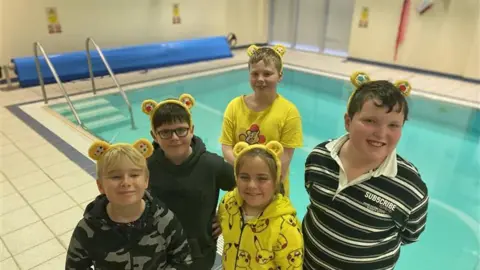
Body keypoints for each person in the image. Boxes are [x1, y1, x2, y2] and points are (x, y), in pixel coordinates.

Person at [302, 72, 429, 269]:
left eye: (393, 125)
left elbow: (410, 235)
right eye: (370, 121)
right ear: (348, 121)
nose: (381, 133)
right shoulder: (320, 157)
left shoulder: (410, 189)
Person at [141, 94, 236, 270]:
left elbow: (246, 189)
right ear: (154, 135)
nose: (175, 137)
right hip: (159, 251)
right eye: (165, 132)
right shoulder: (146, 168)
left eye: (181, 130)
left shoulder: (211, 165)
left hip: (199, 254)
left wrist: (226, 216)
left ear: (192, 129)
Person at [66, 139, 192, 269]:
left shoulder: (164, 220)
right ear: (100, 186)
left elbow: (182, 260)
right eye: (115, 177)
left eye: (134, 174)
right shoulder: (88, 228)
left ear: (146, 181)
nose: (126, 182)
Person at [219, 44, 303, 197]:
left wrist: (263, 184)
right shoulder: (234, 106)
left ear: (280, 75)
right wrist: (247, 176)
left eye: (267, 73)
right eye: (255, 74)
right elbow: (226, 148)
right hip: (242, 187)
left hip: (274, 189)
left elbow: (284, 159)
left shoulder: (289, 112)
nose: (260, 79)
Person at [218, 140, 304, 270]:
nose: (252, 185)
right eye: (244, 177)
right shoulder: (229, 203)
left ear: (277, 180)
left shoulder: (286, 227)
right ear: (236, 177)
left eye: (262, 178)